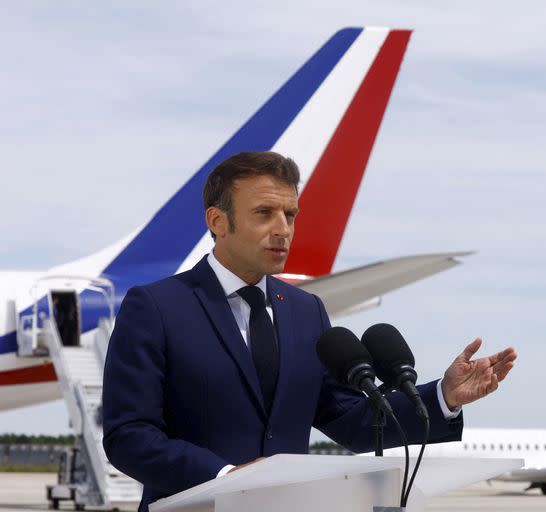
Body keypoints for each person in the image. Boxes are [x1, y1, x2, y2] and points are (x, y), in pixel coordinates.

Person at [102, 151, 517, 511]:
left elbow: (353, 421)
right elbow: (129, 436)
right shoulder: (156, 308)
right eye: (264, 213)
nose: (283, 229)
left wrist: (443, 397)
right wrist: (225, 477)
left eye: (290, 214)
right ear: (218, 221)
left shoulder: (305, 311)